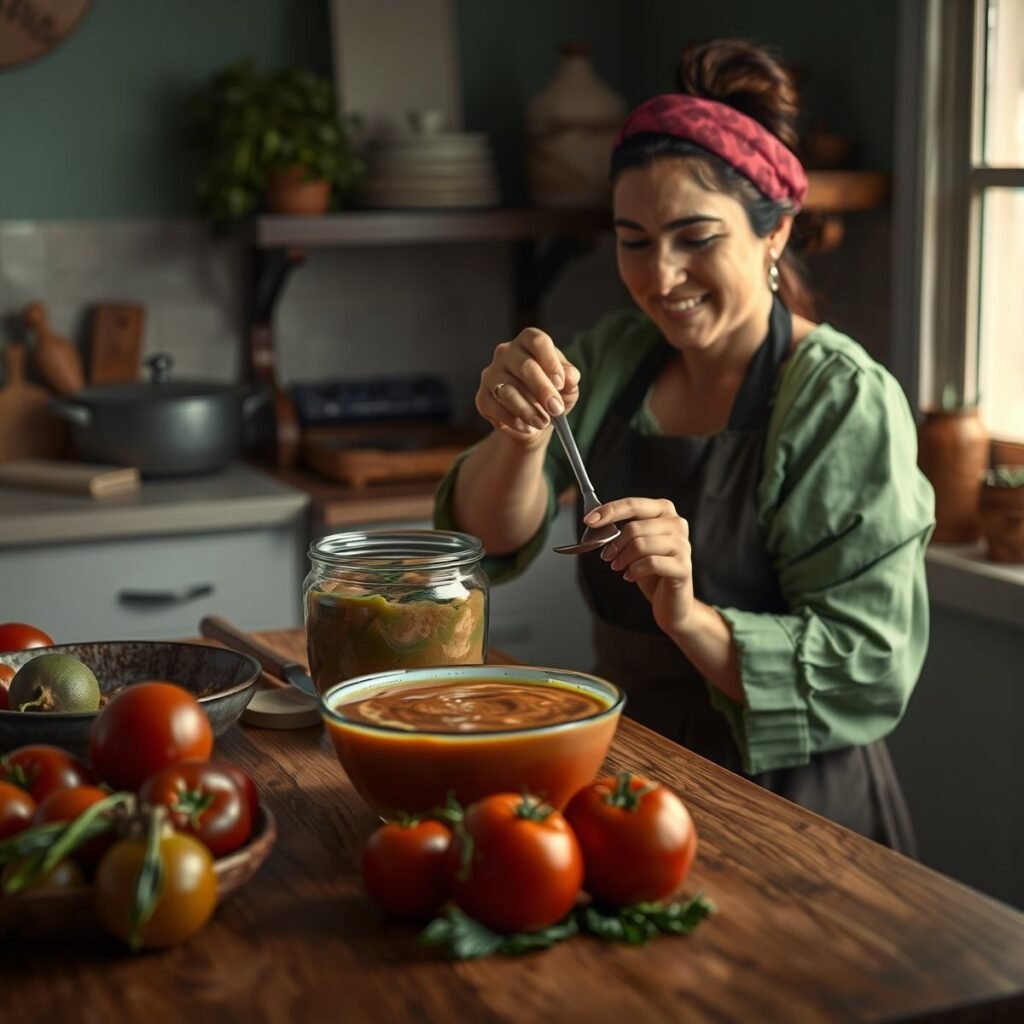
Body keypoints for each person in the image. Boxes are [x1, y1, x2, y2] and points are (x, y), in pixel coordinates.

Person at [434, 39, 935, 852]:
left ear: (774, 235)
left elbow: (866, 663)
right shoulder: (616, 357)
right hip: (634, 791)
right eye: (634, 240)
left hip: (798, 813)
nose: (660, 276)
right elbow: (489, 539)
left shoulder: (840, 401)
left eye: (694, 237)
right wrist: (520, 437)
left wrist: (690, 617)